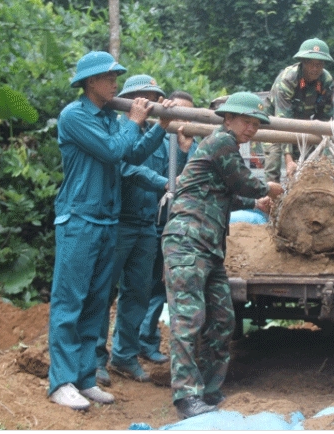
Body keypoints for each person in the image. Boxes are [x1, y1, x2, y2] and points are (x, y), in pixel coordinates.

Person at [48, 52, 175, 410]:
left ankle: (86, 377)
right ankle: (61, 380)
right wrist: (134, 119)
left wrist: (160, 127)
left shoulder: (106, 116)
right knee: (69, 302)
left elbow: (130, 155)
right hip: (79, 219)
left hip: (106, 219)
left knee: (95, 304)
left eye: (116, 76)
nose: (116, 83)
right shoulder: (75, 116)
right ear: (90, 82)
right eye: (109, 77)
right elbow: (111, 150)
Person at [162, 92, 284, 420]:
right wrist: (271, 189)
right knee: (189, 319)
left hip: (210, 247)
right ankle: (186, 396)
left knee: (222, 319)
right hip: (188, 241)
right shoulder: (221, 142)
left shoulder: (220, 150)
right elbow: (242, 182)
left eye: (257, 124)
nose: (251, 129)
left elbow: (224, 192)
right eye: (247, 121)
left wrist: (254, 203)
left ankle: (209, 391)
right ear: (228, 118)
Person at [94, 76, 184, 386]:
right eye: (144, 97)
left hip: (148, 224)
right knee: (105, 291)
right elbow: (126, 167)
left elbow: (169, 169)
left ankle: (125, 356)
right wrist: (162, 183)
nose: (150, 103)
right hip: (121, 221)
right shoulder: (120, 128)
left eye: (154, 97)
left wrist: (165, 125)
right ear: (131, 99)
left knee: (138, 293)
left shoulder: (158, 135)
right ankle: (94, 359)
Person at [137, 90, 198, 367]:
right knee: (148, 286)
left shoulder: (192, 143)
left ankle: (150, 341)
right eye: (177, 112)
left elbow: (188, 180)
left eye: (187, 114)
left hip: (180, 227)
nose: (180, 120)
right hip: (155, 221)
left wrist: (185, 150)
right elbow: (162, 179)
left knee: (167, 288)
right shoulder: (156, 138)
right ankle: (141, 341)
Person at [262, 38, 334, 182]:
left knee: (310, 167)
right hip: (274, 125)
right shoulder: (288, 79)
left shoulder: (326, 81)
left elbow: (325, 119)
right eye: (310, 63)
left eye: (319, 64)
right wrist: (289, 160)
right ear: (303, 61)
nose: (315, 68)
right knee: (273, 161)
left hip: (303, 125)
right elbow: (282, 122)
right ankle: (270, 200)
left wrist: (323, 153)